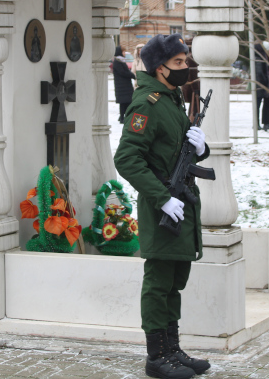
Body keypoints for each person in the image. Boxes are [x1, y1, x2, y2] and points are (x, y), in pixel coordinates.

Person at [114, 34, 211, 379]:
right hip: (163, 206)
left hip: (180, 203)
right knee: (158, 283)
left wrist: (201, 149)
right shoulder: (147, 104)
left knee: (174, 281)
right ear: (160, 68)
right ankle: (156, 357)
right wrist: (162, 197)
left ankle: (173, 349)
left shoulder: (172, 100)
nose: (186, 68)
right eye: (179, 63)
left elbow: (176, 149)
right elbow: (127, 159)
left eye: (186, 61)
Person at [254, 43, 269, 131]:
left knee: (266, 105)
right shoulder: (259, 58)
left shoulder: (266, 57)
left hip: (266, 85)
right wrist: (264, 83)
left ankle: (267, 122)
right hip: (260, 86)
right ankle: (257, 123)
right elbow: (259, 73)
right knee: (257, 105)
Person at [112, 45, 136, 123]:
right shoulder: (117, 61)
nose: (125, 53)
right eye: (123, 51)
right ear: (120, 52)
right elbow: (123, 72)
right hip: (122, 86)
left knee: (127, 102)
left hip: (125, 85)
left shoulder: (121, 60)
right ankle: (122, 117)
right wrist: (132, 75)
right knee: (124, 102)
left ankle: (123, 116)